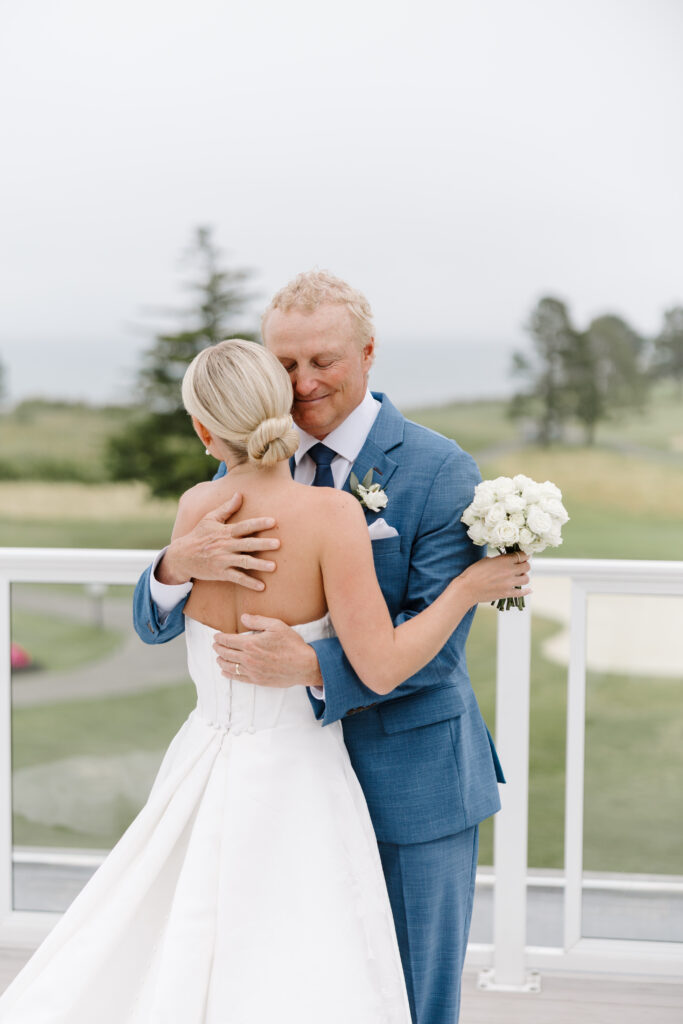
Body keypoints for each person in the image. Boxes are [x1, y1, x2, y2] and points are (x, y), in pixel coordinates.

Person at [0, 338, 528, 1024]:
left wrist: (184, 563)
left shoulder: (197, 507)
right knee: (308, 959)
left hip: (202, 761)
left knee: (192, 938)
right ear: (281, 406)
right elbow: (381, 662)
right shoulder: (330, 516)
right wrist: (464, 590)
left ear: (203, 430)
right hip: (299, 770)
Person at [132, 271, 507, 1024]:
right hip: (281, 787)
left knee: (408, 995)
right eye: (285, 364)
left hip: (410, 776)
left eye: (321, 361)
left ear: (367, 354)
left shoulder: (440, 471)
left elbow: (436, 646)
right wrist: (176, 568)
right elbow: (161, 618)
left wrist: (310, 666)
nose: (301, 383)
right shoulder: (237, 465)